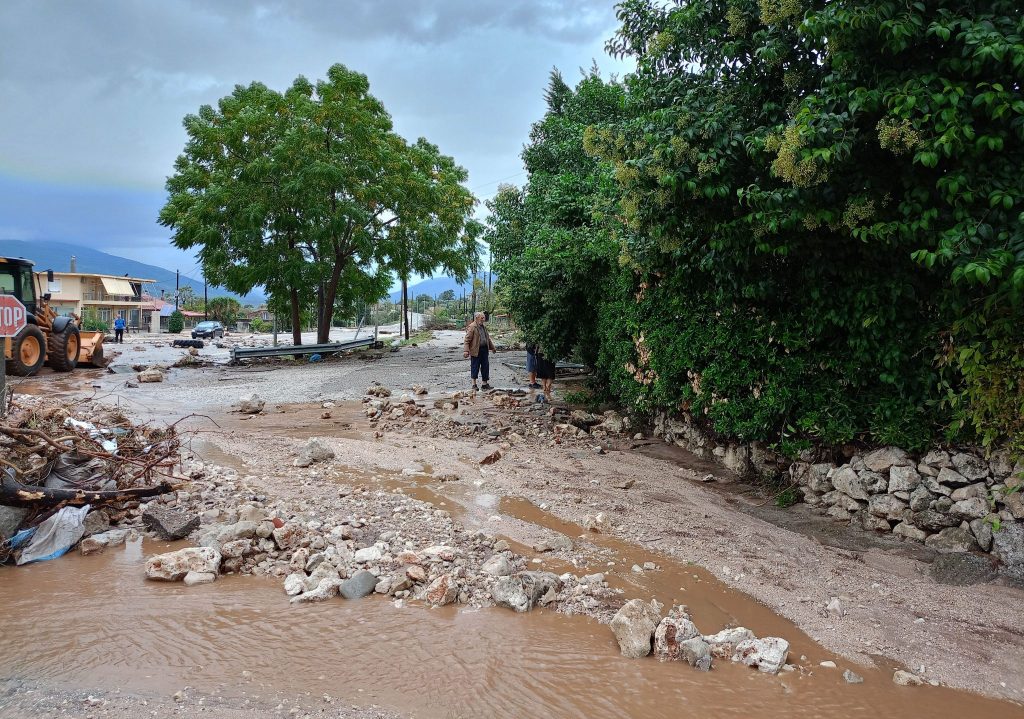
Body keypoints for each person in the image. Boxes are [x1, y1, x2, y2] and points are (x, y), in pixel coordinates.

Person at [463, 311, 496, 391]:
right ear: (477, 318)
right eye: (482, 318)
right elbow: (467, 340)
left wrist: (492, 348)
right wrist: (466, 351)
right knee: (475, 367)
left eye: (484, 318)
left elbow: (487, 339)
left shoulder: (483, 326)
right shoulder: (472, 327)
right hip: (476, 350)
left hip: (484, 349)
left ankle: (485, 384)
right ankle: (474, 384)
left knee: (485, 366)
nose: (483, 319)